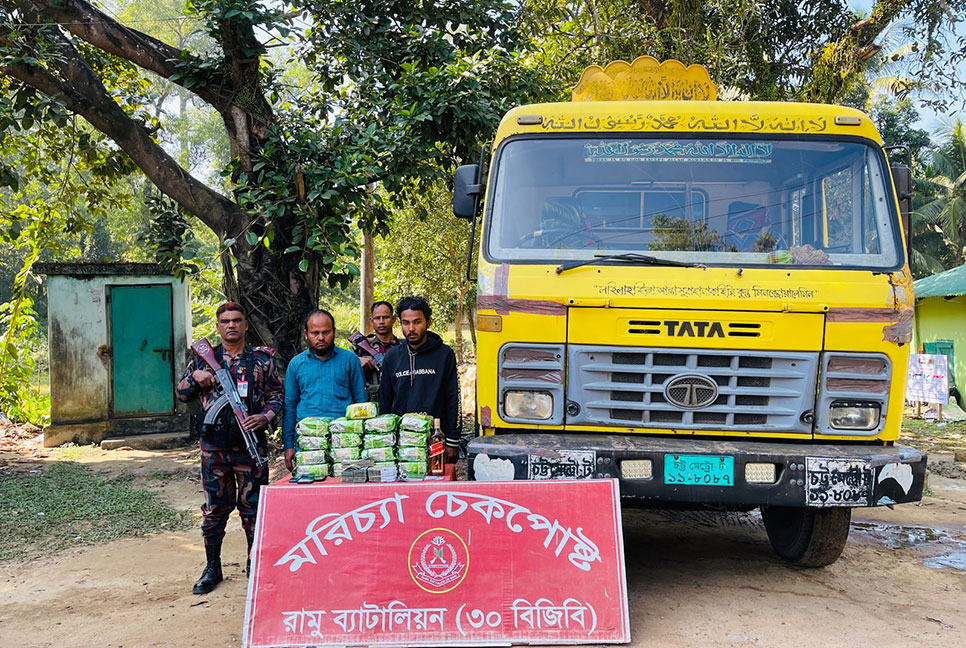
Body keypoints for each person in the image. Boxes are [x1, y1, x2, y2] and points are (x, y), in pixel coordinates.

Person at [176, 302, 283, 595]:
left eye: (237, 320)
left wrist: (266, 416)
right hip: (214, 449)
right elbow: (182, 393)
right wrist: (194, 379)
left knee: (253, 509)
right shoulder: (202, 358)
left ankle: (254, 563)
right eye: (225, 321)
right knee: (215, 510)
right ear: (218, 326)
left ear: (245, 324)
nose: (231, 325)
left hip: (250, 448)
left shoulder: (261, 360)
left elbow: (277, 395)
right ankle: (213, 567)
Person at [378, 296, 460, 462]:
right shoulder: (392, 357)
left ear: (428, 322)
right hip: (402, 442)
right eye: (405, 323)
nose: (411, 328)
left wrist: (452, 441)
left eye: (417, 322)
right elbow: (385, 402)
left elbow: (453, 398)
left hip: (436, 439)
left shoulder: (444, 355)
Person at [283, 308, 366, 472]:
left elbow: (360, 403)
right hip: (307, 442)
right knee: (310, 492)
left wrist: (362, 442)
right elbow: (290, 406)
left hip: (344, 440)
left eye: (326, 332)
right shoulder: (296, 364)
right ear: (306, 334)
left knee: (344, 490)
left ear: (334, 332)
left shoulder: (350, 360)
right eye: (315, 333)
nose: (321, 337)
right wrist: (289, 445)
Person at [352, 300, 399, 399]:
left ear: (393, 319)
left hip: (398, 400)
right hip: (371, 404)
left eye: (385, 317)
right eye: (377, 318)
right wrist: (356, 361)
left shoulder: (403, 347)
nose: (381, 321)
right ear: (371, 321)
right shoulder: (360, 349)